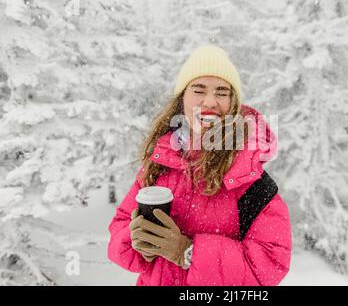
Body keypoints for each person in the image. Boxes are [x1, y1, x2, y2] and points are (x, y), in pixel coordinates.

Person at [107, 45, 292, 286]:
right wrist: (136, 242)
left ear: (233, 104)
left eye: (222, 92)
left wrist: (187, 252)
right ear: (182, 100)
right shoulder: (160, 165)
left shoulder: (249, 179)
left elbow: (270, 265)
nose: (210, 101)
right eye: (198, 90)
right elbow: (119, 229)